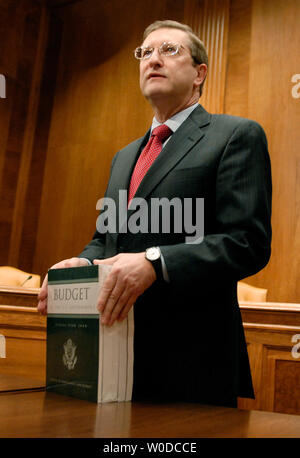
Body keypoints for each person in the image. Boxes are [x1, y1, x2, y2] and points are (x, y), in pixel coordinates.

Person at [38, 20, 272, 407]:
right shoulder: (125, 156)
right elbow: (107, 238)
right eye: (145, 52)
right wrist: (81, 263)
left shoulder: (234, 135)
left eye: (169, 50)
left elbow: (247, 243)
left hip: (191, 364)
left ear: (200, 74)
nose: (153, 59)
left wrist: (155, 262)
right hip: (115, 358)